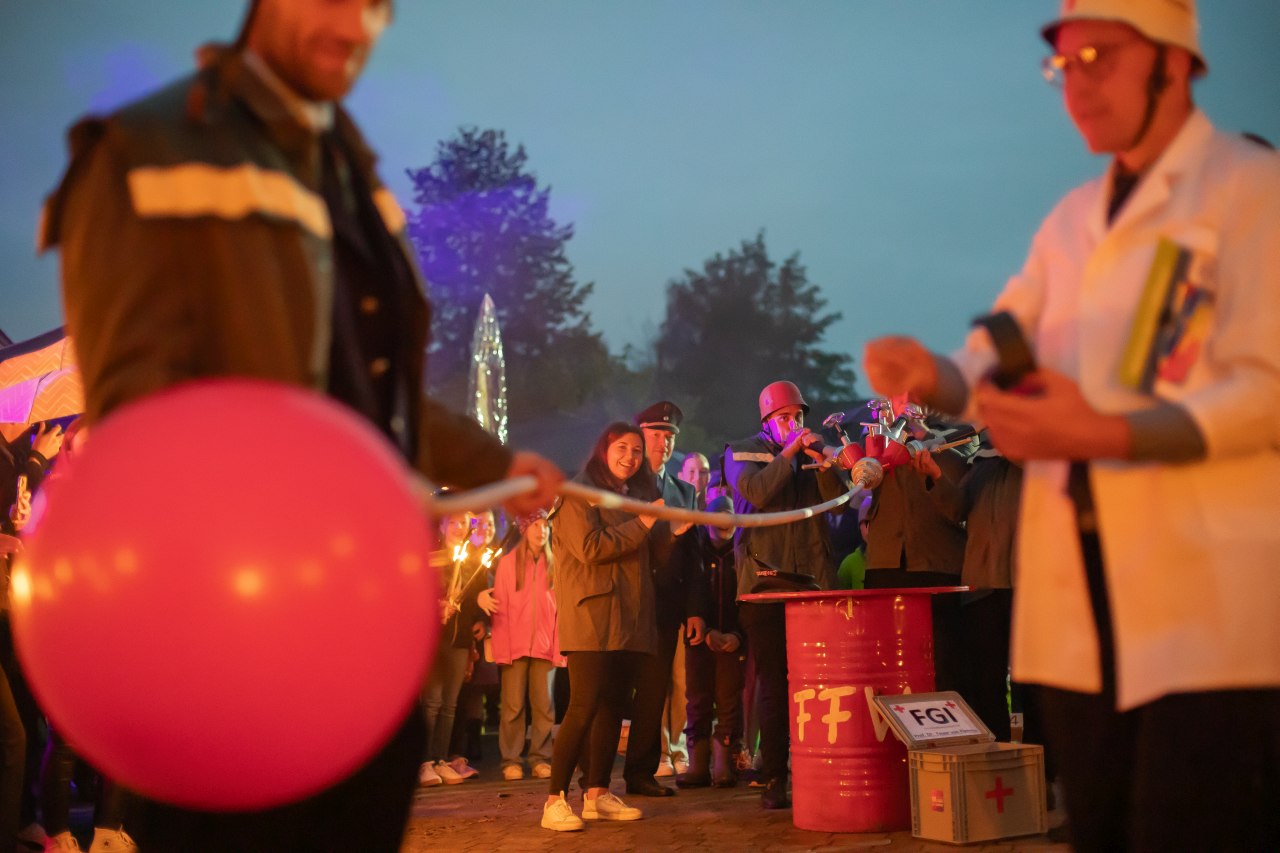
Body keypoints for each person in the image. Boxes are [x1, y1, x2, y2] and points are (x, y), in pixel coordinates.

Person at [40, 1, 561, 848]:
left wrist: (501, 461)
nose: (356, 24)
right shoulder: (147, 147)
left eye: (375, 7)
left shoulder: (350, 174)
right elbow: (140, 413)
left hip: (368, 631)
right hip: (235, 634)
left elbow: (371, 398)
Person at [864, 2, 1280, 849]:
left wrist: (1114, 433)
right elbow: (997, 349)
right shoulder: (1069, 224)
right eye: (1064, 64)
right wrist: (933, 373)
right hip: (1080, 613)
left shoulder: (1251, 191)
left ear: (1177, 63)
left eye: (1100, 55)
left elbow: (1266, 386)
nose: (1077, 82)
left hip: (1207, 613)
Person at [542, 422, 679, 832]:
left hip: (630, 617)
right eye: (622, 448)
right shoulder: (578, 493)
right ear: (604, 449)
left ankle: (598, 794)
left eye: (637, 451)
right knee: (583, 705)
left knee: (612, 708)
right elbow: (589, 549)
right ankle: (554, 800)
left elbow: (652, 556)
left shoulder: (634, 495)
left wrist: (666, 528)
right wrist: (641, 524)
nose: (630, 457)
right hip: (591, 615)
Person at [722, 380, 848, 809]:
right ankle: (775, 776)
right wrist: (790, 455)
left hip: (813, 582)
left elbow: (841, 503)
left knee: (817, 683)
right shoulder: (739, 451)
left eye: (798, 417)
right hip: (765, 585)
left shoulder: (811, 454)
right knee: (775, 684)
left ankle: (820, 768)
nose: (794, 424)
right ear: (766, 422)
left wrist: (824, 461)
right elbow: (754, 493)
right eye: (784, 418)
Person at [623, 401, 704, 796]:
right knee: (616, 692)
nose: (663, 443)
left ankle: (641, 772)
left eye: (670, 436)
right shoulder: (624, 486)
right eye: (656, 435)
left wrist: (693, 611)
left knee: (656, 692)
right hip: (627, 604)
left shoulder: (684, 491)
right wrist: (669, 534)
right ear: (640, 436)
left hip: (667, 606)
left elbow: (694, 557)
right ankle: (597, 776)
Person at [677, 494, 746, 789]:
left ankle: (723, 765)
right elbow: (683, 594)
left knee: (729, 701)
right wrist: (702, 632)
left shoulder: (741, 553)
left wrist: (737, 635)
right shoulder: (695, 553)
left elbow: (746, 598)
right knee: (698, 700)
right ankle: (698, 765)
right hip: (698, 641)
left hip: (732, 641)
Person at [489, 510, 564, 782]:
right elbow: (500, 611)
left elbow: (561, 611)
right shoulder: (508, 564)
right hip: (515, 646)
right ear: (524, 528)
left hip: (545, 647)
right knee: (512, 706)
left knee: (544, 706)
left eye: (545, 525)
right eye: (534, 524)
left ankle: (540, 757)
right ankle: (511, 759)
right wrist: (503, 650)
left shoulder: (557, 564)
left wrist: (558, 649)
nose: (540, 530)